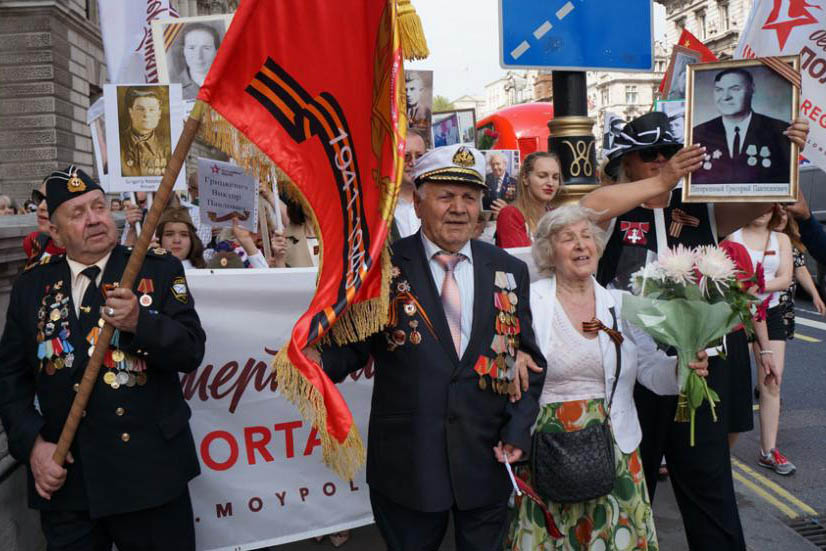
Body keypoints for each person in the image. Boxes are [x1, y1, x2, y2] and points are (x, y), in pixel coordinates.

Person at [581, 111, 809, 550]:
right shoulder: (612, 208)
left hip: (698, 370)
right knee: (630, 490)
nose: (663, 160)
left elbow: (767, 194)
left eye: (670, 152)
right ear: (627, 162)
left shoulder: (700, 205)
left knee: (710, 489)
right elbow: (586, 210)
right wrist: (661, 179)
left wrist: (787, 150)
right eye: (651, 154)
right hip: (630, 374)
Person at [310, 144, 546, 550]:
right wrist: (312, 358)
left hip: (486, 459)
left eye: (469, 198)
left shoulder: (509, 269)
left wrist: (518, 431)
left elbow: (528, 361)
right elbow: (351, 347)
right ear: (418, 205)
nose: (459, 208)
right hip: (408, 466)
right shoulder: (381, 267)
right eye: (445, 196)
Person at [0, 166, 206, 550]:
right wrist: (32, 445)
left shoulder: (157, 269)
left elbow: (191, 349)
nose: (94, 218)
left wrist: (141, 323)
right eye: (77, 214)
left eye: (98, 206)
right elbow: (10, 379)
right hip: (69, 483)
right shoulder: (32, 286)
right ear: (56, 232)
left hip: (150, 477)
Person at [507, 204, 709, 550]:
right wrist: (511, 359)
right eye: (567, 238)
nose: (581, 245)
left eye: (587, 236)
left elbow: (649, 370)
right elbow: (501, 354)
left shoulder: (620, 304)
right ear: (548, 252)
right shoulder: (527, 301)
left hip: (614, 448)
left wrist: (681, 369)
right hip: (546, 450)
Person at [728, 208, 796, 475]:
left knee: (772, 382)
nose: (762, 211)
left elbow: (785, 278)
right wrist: (748, 287)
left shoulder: (781, 239)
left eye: (768, 206)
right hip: (738, 311)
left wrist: (755, 284)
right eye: (757, 205)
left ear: (776, 210)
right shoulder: (733, 235)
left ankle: (769, 450)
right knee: (736, 381)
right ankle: (722, 449)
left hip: (772, 311)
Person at [692, 68, 792, 185]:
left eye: (735, 89)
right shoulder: (697, 134)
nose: (726, 96)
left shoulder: (781, 131)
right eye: (719, 90)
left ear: (752, 89)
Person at [773, 204, 826, 337]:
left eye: (784, 215)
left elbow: (801, 269)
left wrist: (815, 296)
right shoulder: (759, 240)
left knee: (775, 354)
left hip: (783, 307)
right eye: (776, 215)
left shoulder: (791, 244)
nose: (780, 218)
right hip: (760, 304)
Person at [495, 151, 561, 248]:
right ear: (525, 178)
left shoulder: (557, 215)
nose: (550, 183)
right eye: (542, 176)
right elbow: (520, 259)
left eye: (555, 177)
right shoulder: (510, 214)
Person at [120, 87, 169, 177]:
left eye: (151, 110)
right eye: (140, 109)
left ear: (159, 113)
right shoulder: (118, 144)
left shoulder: (168, 148)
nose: (146, 115)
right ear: (131, 112)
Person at [22, 180, 65, 265]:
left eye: (52, 199)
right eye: (39, 198)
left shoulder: (92, 250)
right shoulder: (33, 242)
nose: (41, 206)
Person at [393, 129, 426, 240]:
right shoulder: (379, 208)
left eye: (419, 156)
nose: (413, 163)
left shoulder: (437, 201)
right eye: (406, 156)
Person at [175, 23, 220, 101]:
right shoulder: (173, 85)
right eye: (191, 48)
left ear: (217, 52)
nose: (198, 56)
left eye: (206, 48)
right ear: (184, 51)